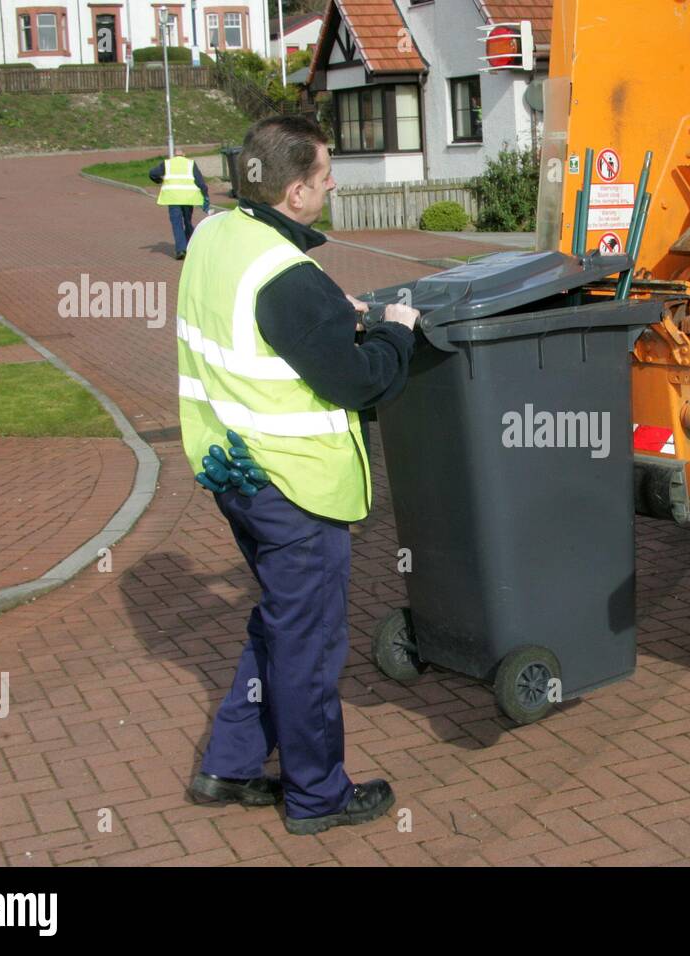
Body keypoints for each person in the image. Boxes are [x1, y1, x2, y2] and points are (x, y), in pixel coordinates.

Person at [176, 115, 421, 835]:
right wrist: (394, 331)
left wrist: (323, 316)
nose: (333, 181)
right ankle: (318, 795)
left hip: (233, 472)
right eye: (324, 174)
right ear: (292, 192)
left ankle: (231, 761)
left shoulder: (216, 236)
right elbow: (360, 382)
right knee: (309, 645)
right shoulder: (288, 276)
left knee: (281, 626)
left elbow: (253, 320)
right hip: (294, 489)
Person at [150, 148, 211, 260]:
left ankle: (181, 249)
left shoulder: (167, 163)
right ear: (184, 154)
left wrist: (159, 181)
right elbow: (200, 182)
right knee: (187, 222)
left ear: (173, 155)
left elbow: (152, 173)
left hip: (173, 198)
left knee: (177, 223)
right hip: (188, 199)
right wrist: (205, 195)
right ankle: (191, 245)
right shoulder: (190, 163)